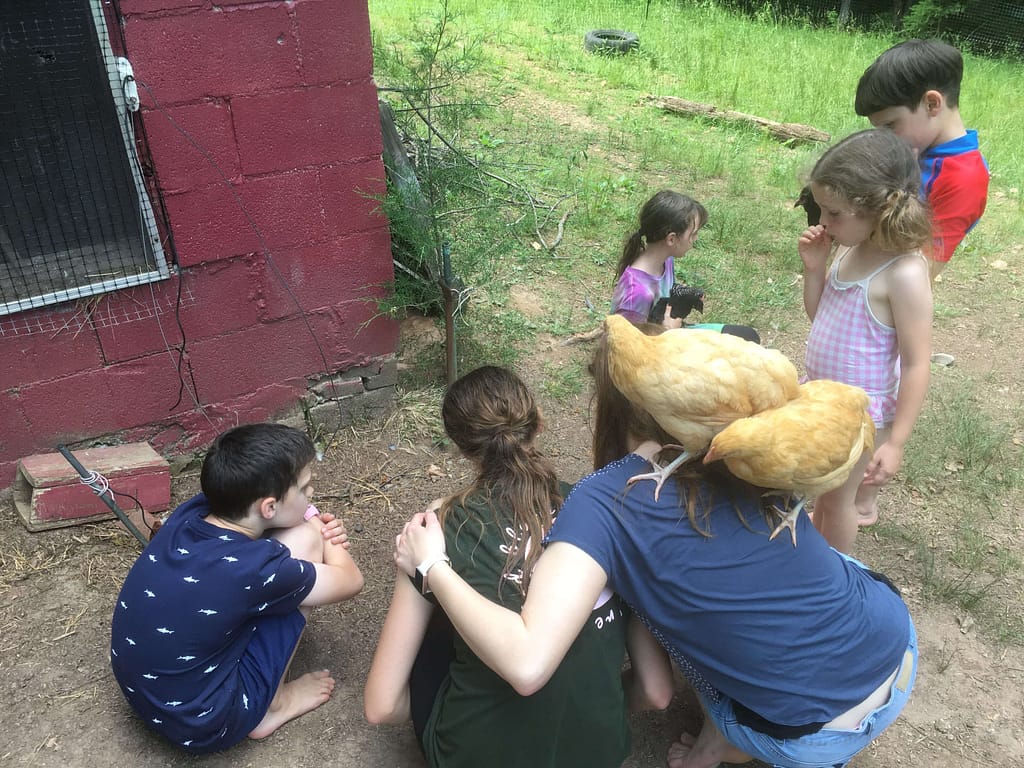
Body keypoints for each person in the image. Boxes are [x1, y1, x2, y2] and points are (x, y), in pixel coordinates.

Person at [394, 336, 917, 768]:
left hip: (806, 737)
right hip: (896, 645)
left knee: (672, 619)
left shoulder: (601, 499)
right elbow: (850, 424)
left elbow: (529, 663)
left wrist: (433, 565)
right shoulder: (742, 444)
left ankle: (714, 749)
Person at [364, 365, 673, 768]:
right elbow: (656, 690)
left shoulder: (440, 525)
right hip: (598, 749)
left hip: (472, 752)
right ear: (538, 422)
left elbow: (381, 706)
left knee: (434, 602)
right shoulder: (605, 513)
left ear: (461, 447)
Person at [110, 423, 364, 753]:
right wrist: (322, 530)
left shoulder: (191, 513)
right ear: (269, 507)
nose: (312, 493)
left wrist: (304, 512)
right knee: (306, 540)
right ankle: (273, 706)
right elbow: (351, 581)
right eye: (305, 488)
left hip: (148, 696)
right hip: (206, 722)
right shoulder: (256, 570)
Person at [800, 128, 933, 550]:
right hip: (824, 398)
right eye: (821, 210)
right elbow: (819, 315)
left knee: (839, 501)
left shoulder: (905, 273)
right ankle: (817, 567)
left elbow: (917, 363)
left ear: (881, 206)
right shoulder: (849, 247)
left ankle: (834, 580)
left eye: (833, 213)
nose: (823, 222)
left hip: (863, 415)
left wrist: (895, 443)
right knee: (823, 493)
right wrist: (815, 269)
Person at [855, 38, 989, 283]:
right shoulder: (918, 146)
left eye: (890, 125)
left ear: (932, 103)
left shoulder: (963, 179)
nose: (885, 138)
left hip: (883, 299)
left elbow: (924, 272)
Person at [611, 190, 760, 342]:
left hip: (669, 332)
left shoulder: (665, 260)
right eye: (693, 234)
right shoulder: (637, 293)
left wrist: (681, 296)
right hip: (658, 348)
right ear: (671, 239)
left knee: (748, 338)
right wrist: (668, 332)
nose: (696, 238)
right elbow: (624, 350)